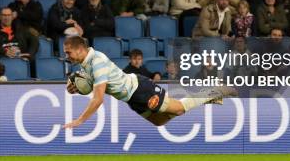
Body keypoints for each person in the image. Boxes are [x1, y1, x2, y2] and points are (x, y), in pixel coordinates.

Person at [63, 36, 236, 128]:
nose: (67, 56)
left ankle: (216, 91)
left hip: (140, 90)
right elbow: (86, 84)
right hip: (132, 97)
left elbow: (98, 98)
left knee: (178, 108)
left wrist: (80, 120)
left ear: (80, 49)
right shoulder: (86, 64)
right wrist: (76, 88)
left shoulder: (97, 63)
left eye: (69, 52)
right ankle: (209, 97)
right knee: (159, 121)